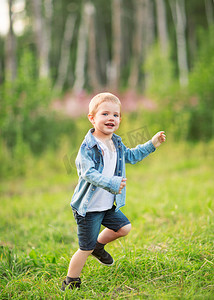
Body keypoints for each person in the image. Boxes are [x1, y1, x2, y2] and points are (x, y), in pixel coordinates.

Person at [61, 92, 166, 290]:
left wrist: (152, 144)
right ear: (92, 118)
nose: (111, 118)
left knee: (124, 228)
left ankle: (99, 247)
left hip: (107, 205)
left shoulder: (116, 142)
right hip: (89, 209)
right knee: (85, 248)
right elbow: (88, 174)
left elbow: (132, 156)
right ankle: (71, 281)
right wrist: (111, 183)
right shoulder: (87, 148)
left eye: (116, 115)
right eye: (105, 114)